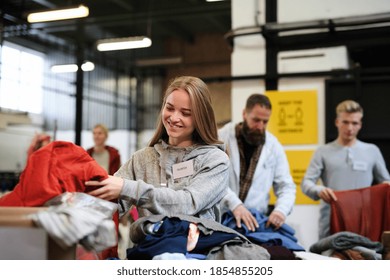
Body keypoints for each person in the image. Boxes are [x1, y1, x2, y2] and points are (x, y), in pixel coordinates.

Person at [85, 76, 229, 222]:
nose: (173, 118)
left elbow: (188, 203)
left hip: (194, 245)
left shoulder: (215, 161)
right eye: (169, 108)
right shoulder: (142, 159)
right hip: (149, 244)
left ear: (201, 117)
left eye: (185, 113)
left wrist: (130, 189)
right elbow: (111, 203)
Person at [301, 99, 390, 240]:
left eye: (354, 123)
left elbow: (386, 182)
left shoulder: (372, 151)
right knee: (330, 259)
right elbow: (306, 183)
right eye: (345, 122)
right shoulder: (323, 151)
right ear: (337, 122)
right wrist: (319, 190)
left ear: (360, 125)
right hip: (331, 221)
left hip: (364, 221)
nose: (350, 128)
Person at [219, 93, 296, 231]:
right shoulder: (221, 138)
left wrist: (281, 210)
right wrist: (234, 204)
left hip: (254, 222)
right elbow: (211, 179)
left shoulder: (273, 146)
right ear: (244, 114)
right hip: (222, 217)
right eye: (256, 120)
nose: (260, 126)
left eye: (265, 121)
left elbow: (286, 187)